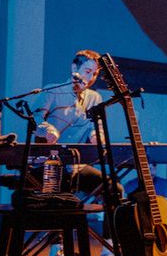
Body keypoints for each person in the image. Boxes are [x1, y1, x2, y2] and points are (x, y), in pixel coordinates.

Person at [29, 49, 112, 199]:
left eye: (94, 74)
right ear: (74, 68)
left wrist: (97, 136)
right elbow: (35, 118)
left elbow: (97, 128)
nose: (91, 77)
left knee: (113, 189)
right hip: (48, 163)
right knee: (61, 195)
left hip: (76, 165)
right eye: (87, 71)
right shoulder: (52, 90)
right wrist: (47, 130)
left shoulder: (95, 98)